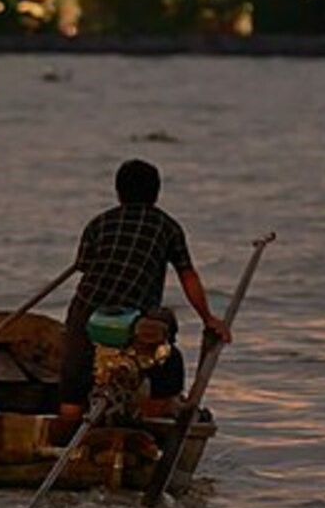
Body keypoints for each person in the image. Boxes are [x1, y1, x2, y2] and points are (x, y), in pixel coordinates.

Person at [57, 159, 232, 421]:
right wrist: (208, 319)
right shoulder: (168, 226)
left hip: (87, 309)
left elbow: (84, 266)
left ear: (118, 192)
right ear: (157, 193)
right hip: (134, 316)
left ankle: (67, 424)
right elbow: (188, 275)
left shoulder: (98, 223)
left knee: (74, 378)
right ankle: (153, 421)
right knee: (167, 366)